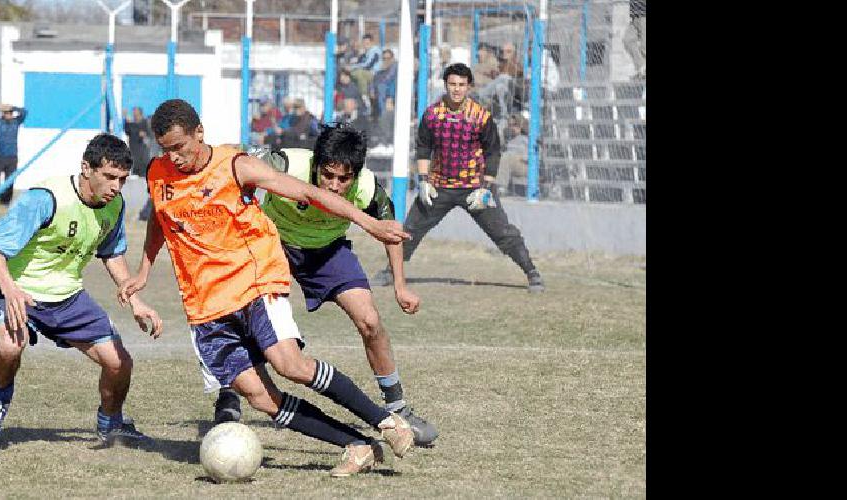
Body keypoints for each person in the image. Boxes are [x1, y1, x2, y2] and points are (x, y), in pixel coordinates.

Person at [117, 99, 416, 477]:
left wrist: (368, 224)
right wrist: (144, 270)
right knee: (260, 398)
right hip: (204, 303)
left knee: (290, 365)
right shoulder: (157, 173)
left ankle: (386, 421)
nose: (174, 158)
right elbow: (161, 219)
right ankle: (356, 445)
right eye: (166, 150)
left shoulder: (235, 165)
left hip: (254, 281)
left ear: (199, 134)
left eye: (180, 147)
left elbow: (308, 193)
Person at [206, 123, 439, 447]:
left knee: (370, 321)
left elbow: (390, 229)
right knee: (248, 317)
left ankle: (398, 408)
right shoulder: (288, 163)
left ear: (355, 175)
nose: (332, 185)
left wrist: (400, 285)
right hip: (273, 245)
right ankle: (229, 394)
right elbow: (235, 157)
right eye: (326, 175)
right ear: (316, 165)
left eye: (342, 179)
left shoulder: (368, 188)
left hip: (327, 251)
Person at [0, 133, 164, 451]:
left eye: (122, 179)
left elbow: (111, 252)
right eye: (110, 177)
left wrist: (136, 301)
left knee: (119, 363)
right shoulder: (47, 198)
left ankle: (111, 424)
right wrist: (9, 291)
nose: (116, 186)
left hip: (67, 295)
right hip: (18, 288)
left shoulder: (114, 205)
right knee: (9, 348)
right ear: (86, 168)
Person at [370, 64, 545, 293]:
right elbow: (423, 147)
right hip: (439, 186)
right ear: (446, 85)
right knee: (411, 229)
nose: (457, 89)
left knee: (503, 232)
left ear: (469, 87)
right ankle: (390, 272)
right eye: (452, 84)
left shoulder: (481, 116)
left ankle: (532, 273)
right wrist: (423, 181)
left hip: (475, 188)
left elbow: (493, 151)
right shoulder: (433, 114)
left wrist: (486, 187)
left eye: (462, 85)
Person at [0, 104, 28, 207]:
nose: (8, 115)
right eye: (6, 113)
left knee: (10, 181)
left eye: (10, 113)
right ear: (3, 114)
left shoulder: (16, 122)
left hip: (12, 157)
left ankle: (6, 202)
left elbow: (25, 112)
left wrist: (13, 107)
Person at [123, 106, 155, 221]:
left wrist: (145, 136)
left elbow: (150, 138)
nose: (134, 114)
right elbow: (127, 130)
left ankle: (144, 213)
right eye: (133, 113)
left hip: (144, 157)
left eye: (136, 113)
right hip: (134, 155)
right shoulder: (132, 125)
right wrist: (126, 118)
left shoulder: (145, 124)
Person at [623, 0, 646, 80]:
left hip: (644, 15)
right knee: (627, 40)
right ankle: (642, 68)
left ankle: (642, 72)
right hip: (634, 17)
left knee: (644, 48)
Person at [372, 49, 398, 115]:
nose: (386, 60)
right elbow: (374, 81)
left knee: (381, 87)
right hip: (381, 92)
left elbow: (388, 79)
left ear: (392, 58)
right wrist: (372, 89)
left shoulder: (395, 67)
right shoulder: (380, 71)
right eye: (384, 59)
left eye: (388, 58)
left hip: (391, 92)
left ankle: (383, 114)